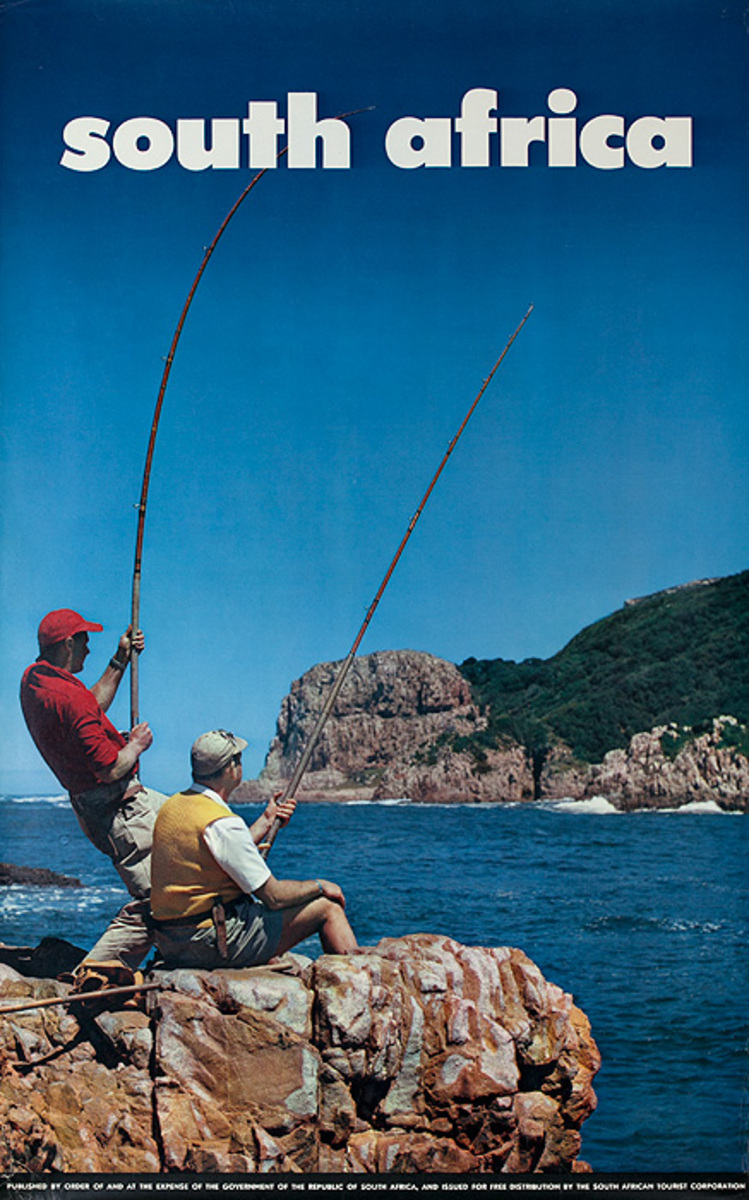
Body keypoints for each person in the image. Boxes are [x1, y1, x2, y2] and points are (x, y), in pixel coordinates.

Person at [20, 608, 167, 970]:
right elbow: (108, 768)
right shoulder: (70, 699)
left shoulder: (36, 680)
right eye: (85, 640)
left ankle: (171, 952)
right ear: (69, 643)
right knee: (155, 903)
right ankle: (93, 974)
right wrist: (136, 745)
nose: (89, 648)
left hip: (101, 806)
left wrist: (120, 659)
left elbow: (90, 705)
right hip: (122, 811)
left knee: (201, 833)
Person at [150, 729, 358, 969]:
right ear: (231, 768)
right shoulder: (222, 823)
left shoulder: (173, 806)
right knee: (327, 908)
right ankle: (357, 978)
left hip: (171, 942)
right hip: (208, 944)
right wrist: (320, 885)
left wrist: (267, 820)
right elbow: (274, 897)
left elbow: (220, 852)